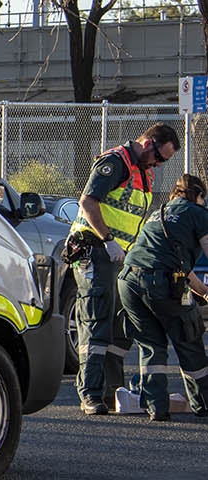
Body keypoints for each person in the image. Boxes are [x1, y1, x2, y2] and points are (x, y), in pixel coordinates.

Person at [65, 122, 179, 415]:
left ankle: (111, 391)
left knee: (119, 326)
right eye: (160, 157)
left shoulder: (143, 173)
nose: (159, 164)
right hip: (96, 249)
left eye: (164, 161)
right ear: (149, 142)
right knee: (96, 319)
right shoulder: (116, 162)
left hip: (118, 257)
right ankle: (89, 394)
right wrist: (108, 240)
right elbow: (88, 202)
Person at [117, 174, 208, 422]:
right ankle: (203, 403)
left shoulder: (161, 212)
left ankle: (156, 407)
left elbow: (175, 263)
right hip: (160, 283)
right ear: (199, 195)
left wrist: (204, 292)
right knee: (188, 336)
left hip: (128, 282)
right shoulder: (198, 213)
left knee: (151, 345)